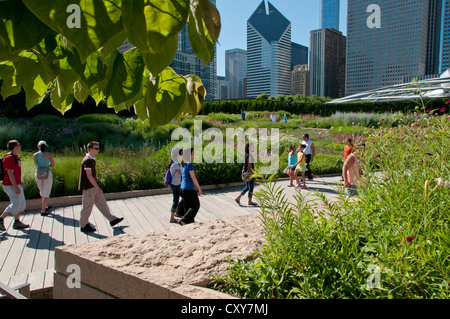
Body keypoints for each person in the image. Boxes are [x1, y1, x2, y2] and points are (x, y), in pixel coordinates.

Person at [78, 141, 124, 233]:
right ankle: (83, 225)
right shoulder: (87, 160)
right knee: (87, 206)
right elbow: (89, 176)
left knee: (102, 203)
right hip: (89, 187)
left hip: (93, 186)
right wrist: (98, 187)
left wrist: (96, 187)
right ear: (90, 149)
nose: (98, 150)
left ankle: (112, 219)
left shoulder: (91, 159)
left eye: (98, 148)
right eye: (96, 148)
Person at [0, 140, 29, 231]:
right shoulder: (9, 158)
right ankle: (0, 219)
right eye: (19, 145)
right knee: (16, 204)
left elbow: (16, 173)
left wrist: (20, 183)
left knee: (21, 204)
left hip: (15, 184)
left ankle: (17, 222)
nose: (20, 146)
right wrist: (16, 186)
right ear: (15, 147)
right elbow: (10, 173)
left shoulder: (14, 157)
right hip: (10, 185)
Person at [177, 147, 202, 226]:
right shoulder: (189, 164)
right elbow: (193, 177)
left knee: (188, 206)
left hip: (183, 188)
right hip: (188, 188)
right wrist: (199, 188)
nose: (194, 154)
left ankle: (189, 221)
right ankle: (184, 220)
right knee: (195, 205)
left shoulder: (183, 163)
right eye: (193, 153)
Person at [33, 140, 55, 216]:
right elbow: (52, 164)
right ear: (46, 146)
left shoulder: (35, 155)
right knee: (46, 193)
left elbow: (36, 166)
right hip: (47, 173)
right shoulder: (48, 154)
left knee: (42, 191)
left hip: (38, 174)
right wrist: (47, 165)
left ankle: (45, 205)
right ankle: (43, 210)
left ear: (38, 147)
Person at [169, 148, 183, 223]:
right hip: (176, 185)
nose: (182, 155)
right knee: (176, 201)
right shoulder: (176, 164)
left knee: (183, 198)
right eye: (181, 154)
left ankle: (178, 213)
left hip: (176, 184)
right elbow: (182, 173)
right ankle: (172, 217)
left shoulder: (175, 163)